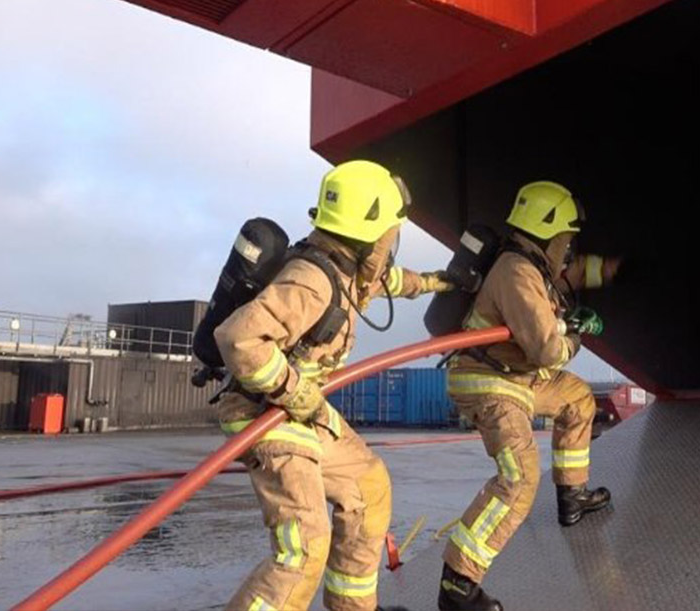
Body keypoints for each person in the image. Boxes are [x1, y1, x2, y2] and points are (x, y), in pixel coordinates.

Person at [214, 160, 452, 611]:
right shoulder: (312, 282)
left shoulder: (346, 268)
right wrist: (292, 389)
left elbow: (387, 281)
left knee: (369, 488)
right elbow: (239, 338)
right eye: (390, 233)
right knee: (304, 548)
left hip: (299, 411)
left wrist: (432, 283)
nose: (391, 242)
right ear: (370, 233)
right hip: (266, 413)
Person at [439, 181, 620, 611]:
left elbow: (567, 287)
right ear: (548, 234)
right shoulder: (517, 272)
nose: (569, 249)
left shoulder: (533, 269)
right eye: (566, 240)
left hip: (515, 377)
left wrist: (612, 273)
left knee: (578, 399)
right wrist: (576, 334)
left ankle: (572, 497)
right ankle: (458, 586)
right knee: (519, 477)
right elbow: (548, 352)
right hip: (490, 382)